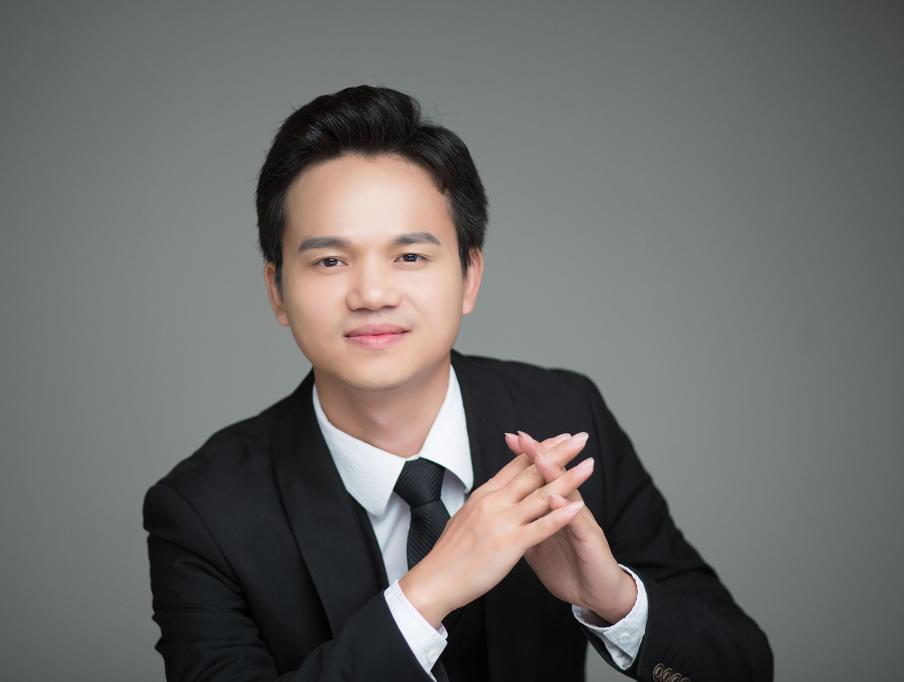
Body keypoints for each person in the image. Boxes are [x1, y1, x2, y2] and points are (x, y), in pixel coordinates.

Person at [142, 84, 773, 682]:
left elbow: (744, 665)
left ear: (469, 277)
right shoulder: (203, 509)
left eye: (410, 256)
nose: (372, 294)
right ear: (277, 290)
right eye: (330, 260)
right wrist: (426, 595)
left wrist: (613, 599)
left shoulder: (565, 418)